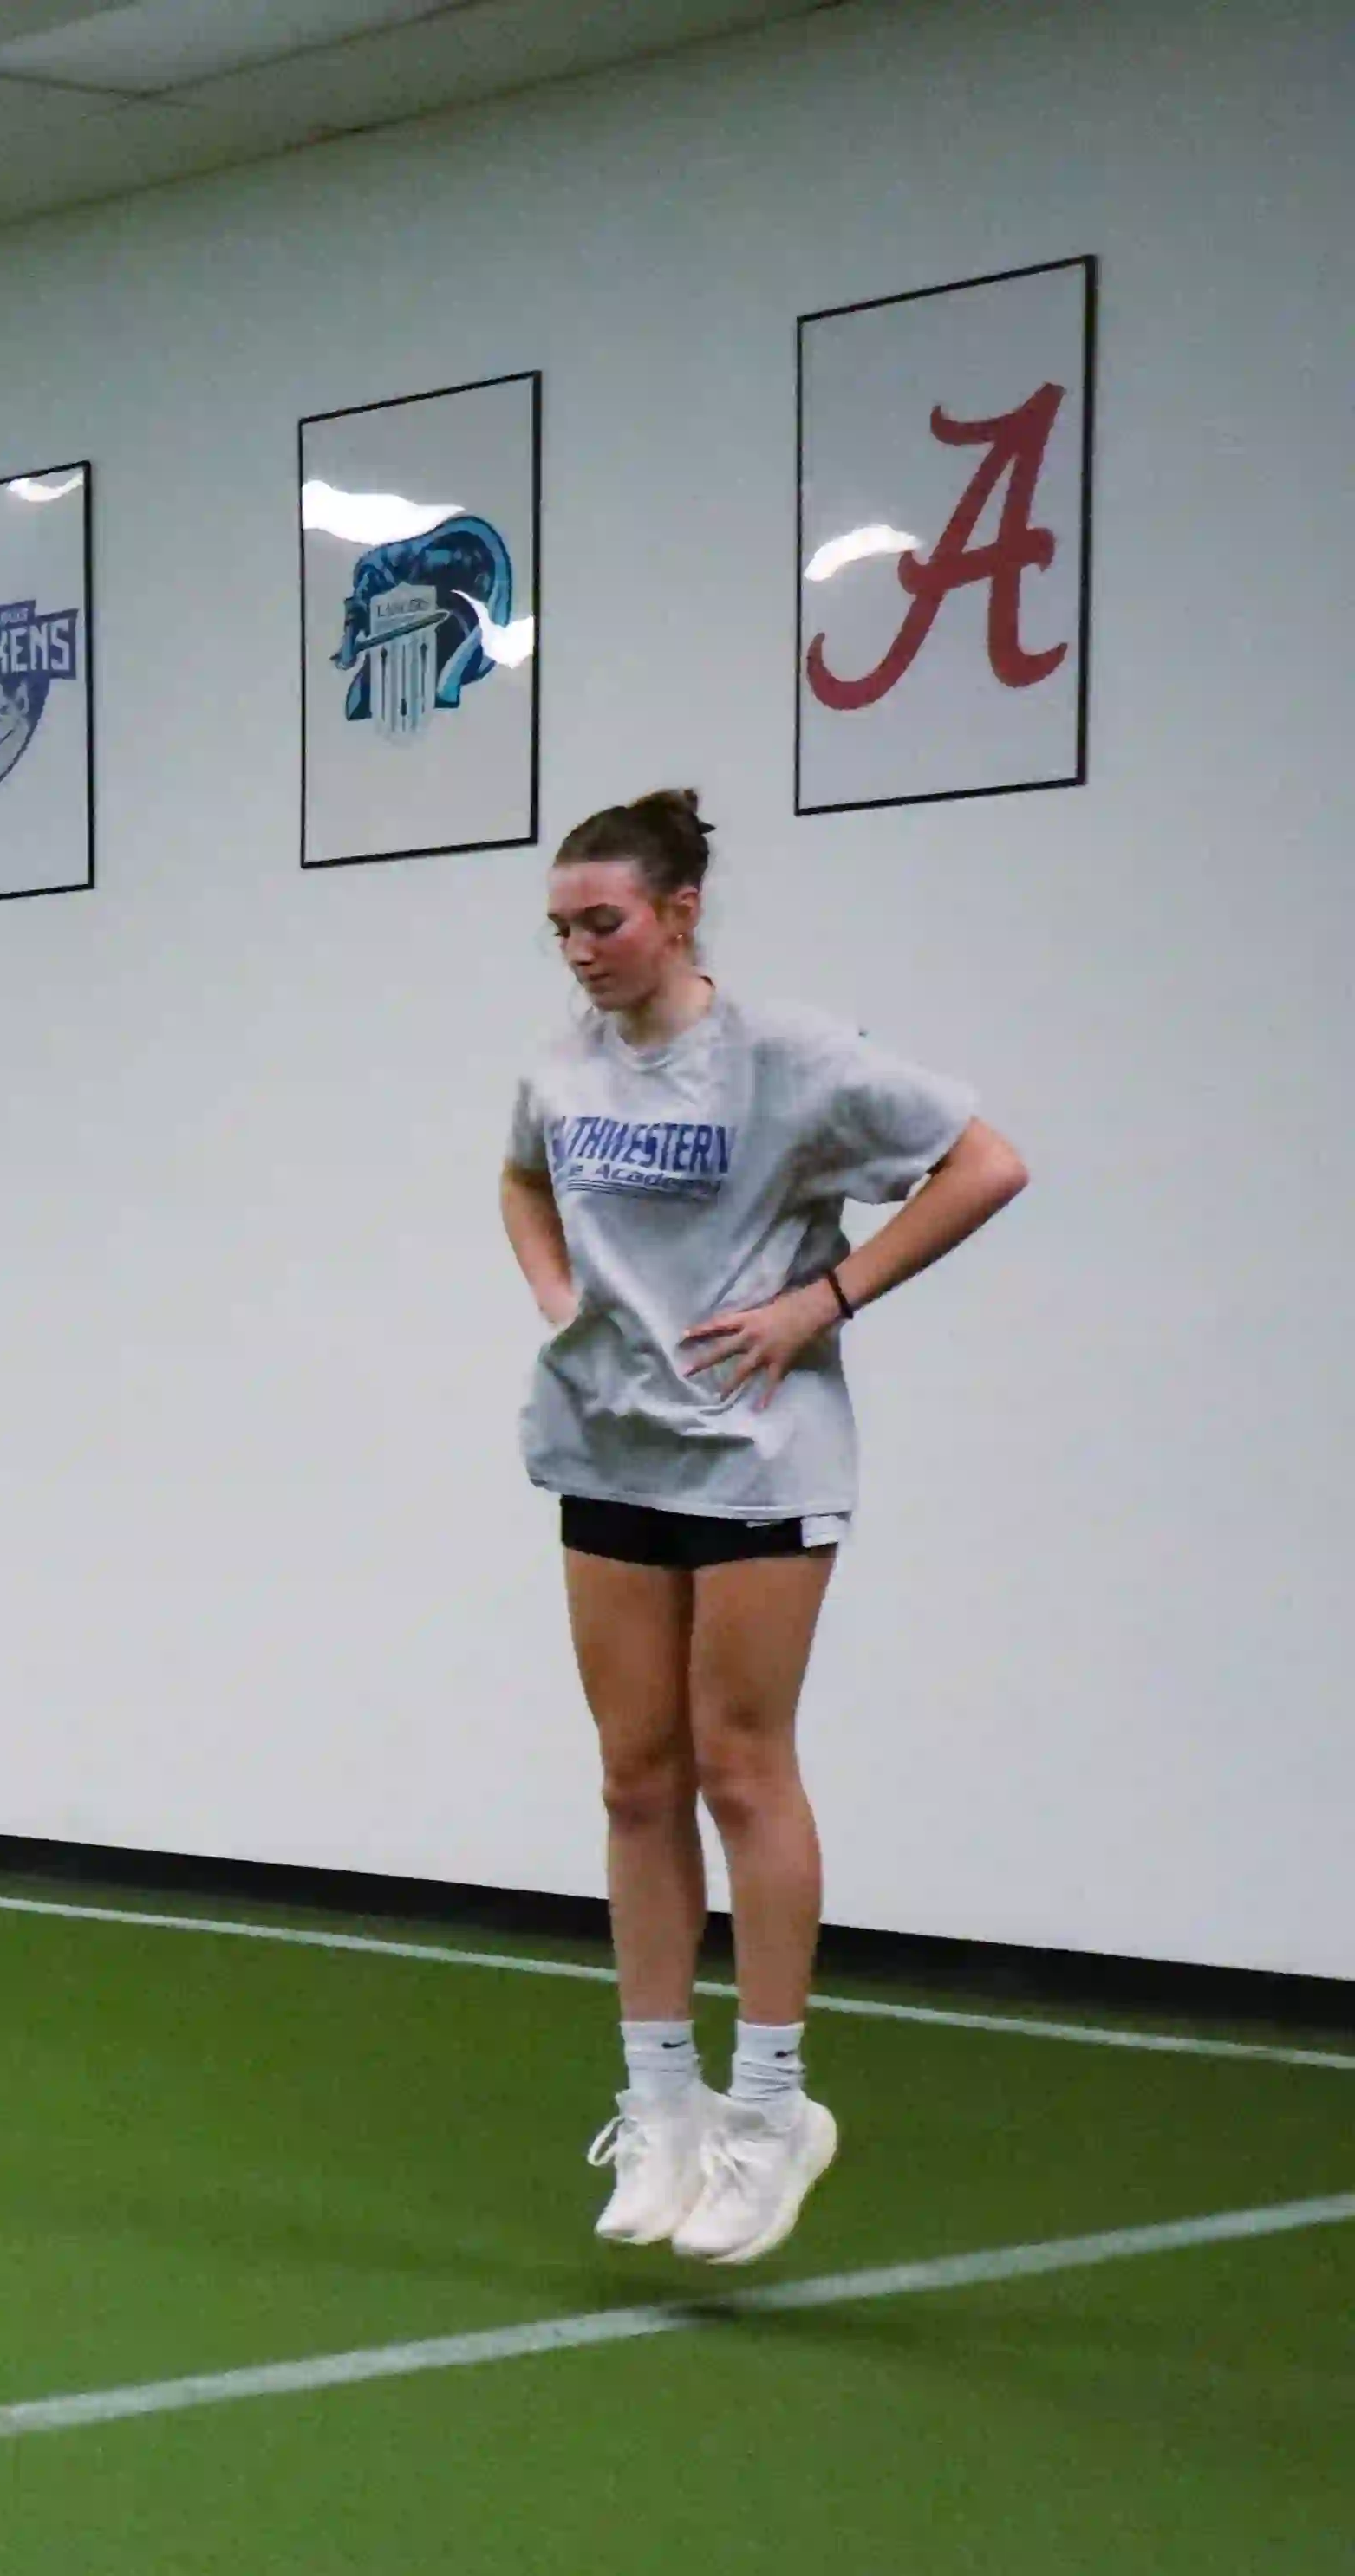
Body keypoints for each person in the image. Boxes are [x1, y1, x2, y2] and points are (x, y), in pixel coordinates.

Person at [502, 787, 1027, 2267]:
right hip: (607, 1450)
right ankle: (659, 2104)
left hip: (758, 1462)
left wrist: (823, 1300)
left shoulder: (791, 1059)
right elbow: (519, 1180)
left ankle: (771, 2108)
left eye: (602, 922)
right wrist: (563, 1301)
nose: (581, 953)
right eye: (560, 930)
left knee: (741, 1767)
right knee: (633, 1778)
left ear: (679, 914)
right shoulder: (560, 1067)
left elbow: (984, 1161)